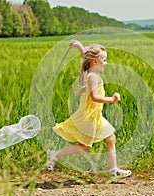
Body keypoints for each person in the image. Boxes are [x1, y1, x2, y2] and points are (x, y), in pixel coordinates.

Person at [46, 40, 131, 178]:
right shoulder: (92, 78)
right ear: (95, 62)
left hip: (95, 115)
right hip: (90, 116)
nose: (106, 62)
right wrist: (112, 99)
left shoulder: (89, 73)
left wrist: (79, 45)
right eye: (104, 60)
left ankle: (113, 170)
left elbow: (86, 57)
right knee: (87, 145)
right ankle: (54, 154)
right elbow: (95, 97)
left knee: (110, 138)